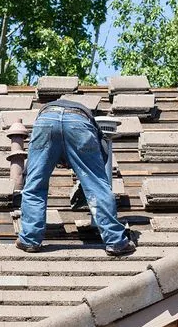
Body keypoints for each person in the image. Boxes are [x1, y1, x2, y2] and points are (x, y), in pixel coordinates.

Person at [16, 98, 136, 256]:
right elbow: (98, 173)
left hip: (46, 120)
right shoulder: (99, 142)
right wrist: (89, 179)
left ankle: (29, 240)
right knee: (97, 185)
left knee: (35, 185)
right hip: (78, 122)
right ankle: (116, 241)